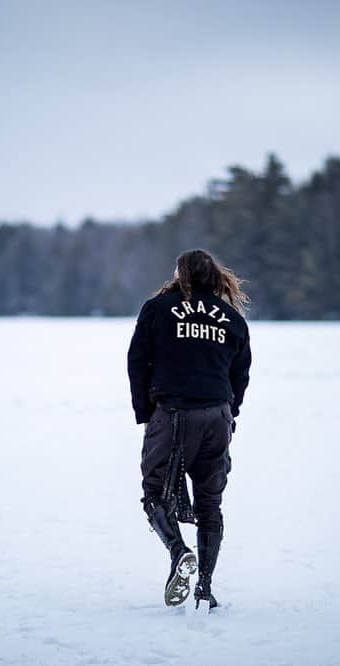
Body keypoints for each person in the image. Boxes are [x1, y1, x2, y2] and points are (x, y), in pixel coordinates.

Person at [126, 248, 252, 611]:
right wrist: (231, 414)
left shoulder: (158, 308)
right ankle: (205, 589)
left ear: (180, 275)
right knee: (210, 502)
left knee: (154, 491)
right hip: (218, 416)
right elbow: (240, 374)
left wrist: (144, 411)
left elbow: (136, 361)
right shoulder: (231, 319)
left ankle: (179, 552)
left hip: (174, 412)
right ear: (215, 277)